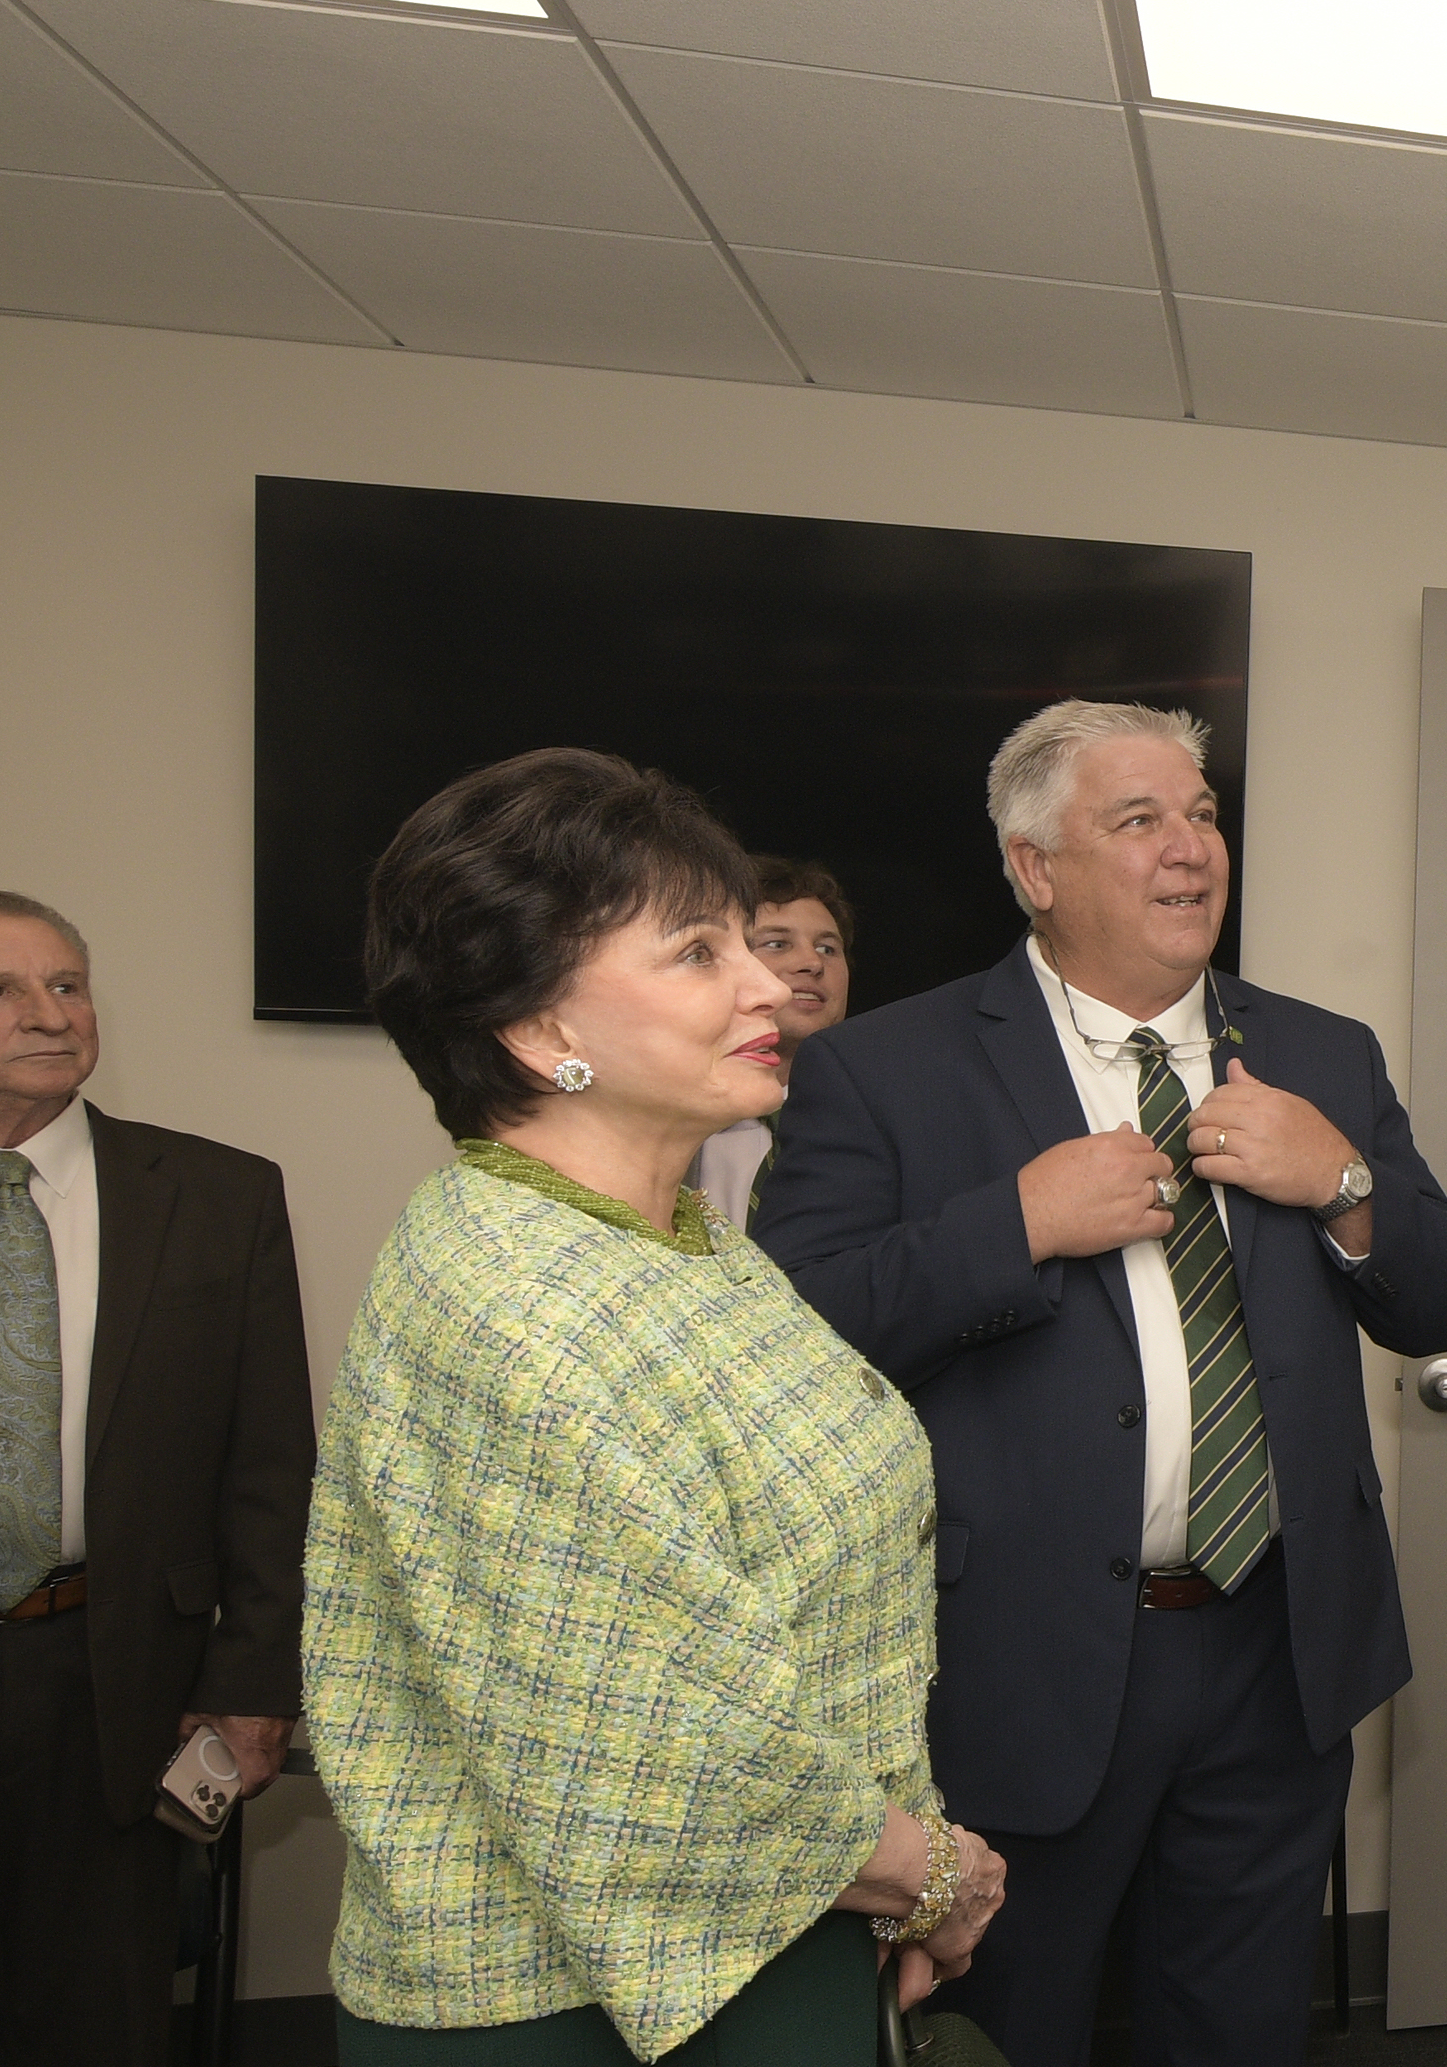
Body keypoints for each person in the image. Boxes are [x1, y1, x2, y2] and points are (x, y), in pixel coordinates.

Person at [761, 699, 1447, 2067]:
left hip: (1278, 1647)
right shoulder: (886, 1068)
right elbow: (792, 1334)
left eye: (1203, 816)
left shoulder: (1320, 1054)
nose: (1191, 849)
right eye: (1139, 819)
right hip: (1023, 1664)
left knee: (1238, 2030)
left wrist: (1342, 1181)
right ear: (1036, 869)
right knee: (1011, 2026)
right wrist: (1014, 1224)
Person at [307, 750, 1003, 2063]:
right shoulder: (505, 1294)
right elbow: (669, 1739)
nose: (768, 982)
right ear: (539, 1029)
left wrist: (888, 1898)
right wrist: (932, 1875)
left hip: (785, 1938)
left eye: (752, 939)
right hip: (570, 2003)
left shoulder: (684, 1238)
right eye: (698, 952)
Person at [0, 894, 313, 2067]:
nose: (48, 1014)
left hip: (109, 1678)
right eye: (8, 991)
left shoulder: (217, 1200)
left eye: (67, 986)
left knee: (91, 2022)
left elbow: (272, 1469)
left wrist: (253, 1681)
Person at [697, 855, 857, 1230]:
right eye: (777, 943)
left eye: (827, 949)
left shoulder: (889, 1114)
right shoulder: (660, 1108)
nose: (811, 963)